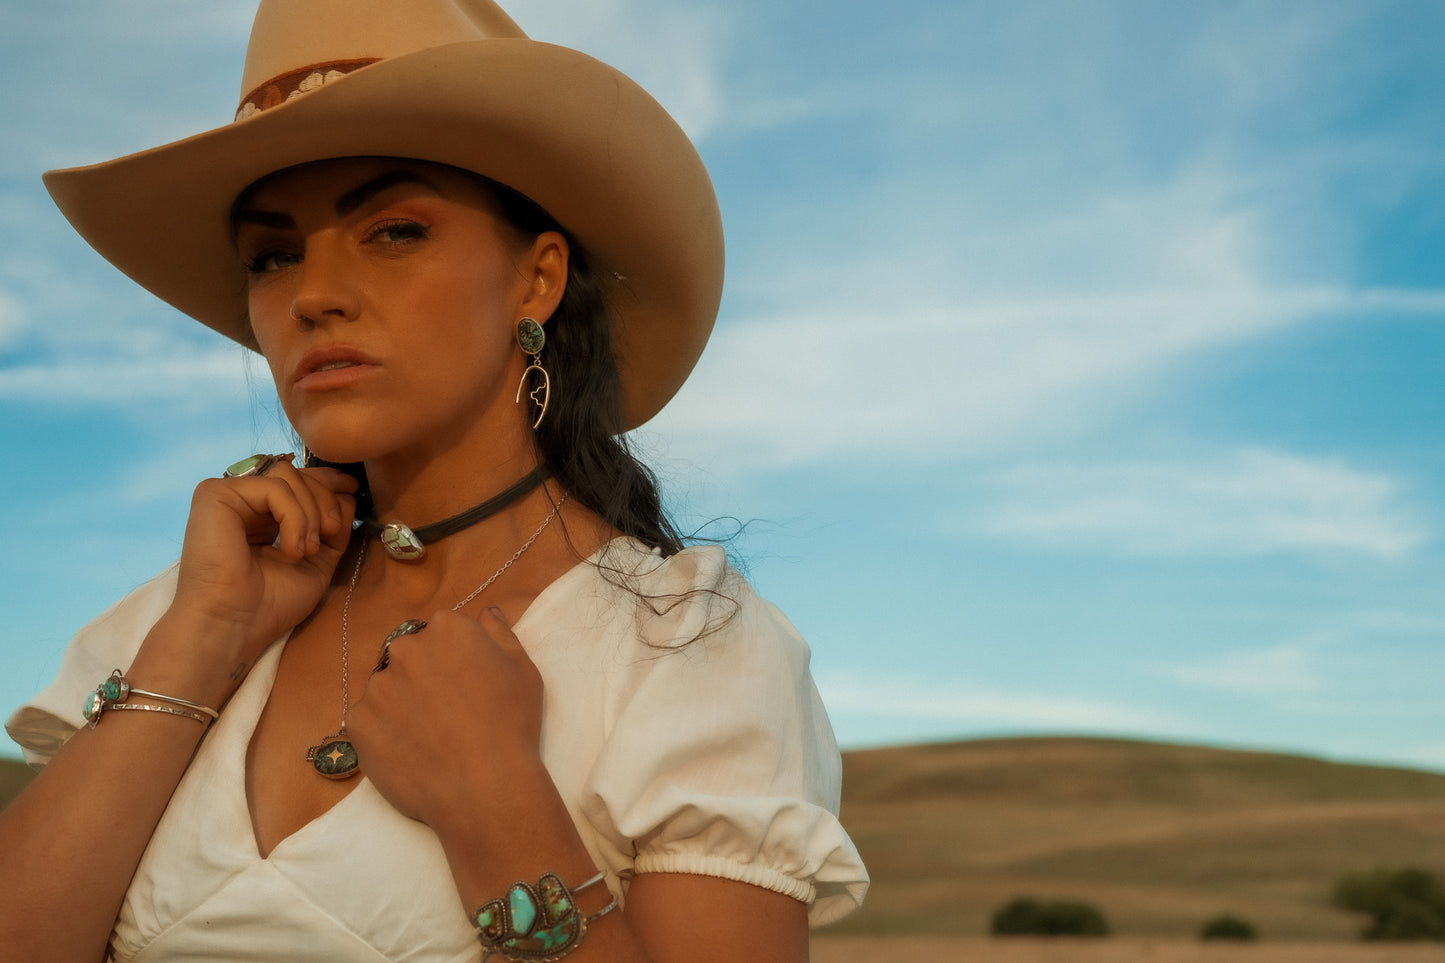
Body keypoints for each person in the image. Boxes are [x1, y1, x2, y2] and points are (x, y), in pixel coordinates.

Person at [0, 2, 868, 961]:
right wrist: (200, 642)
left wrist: (497, 809)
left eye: (395, 230)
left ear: (536, 281)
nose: (312, 294)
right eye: (272, 255)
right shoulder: (197, 609)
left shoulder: (683, 644)